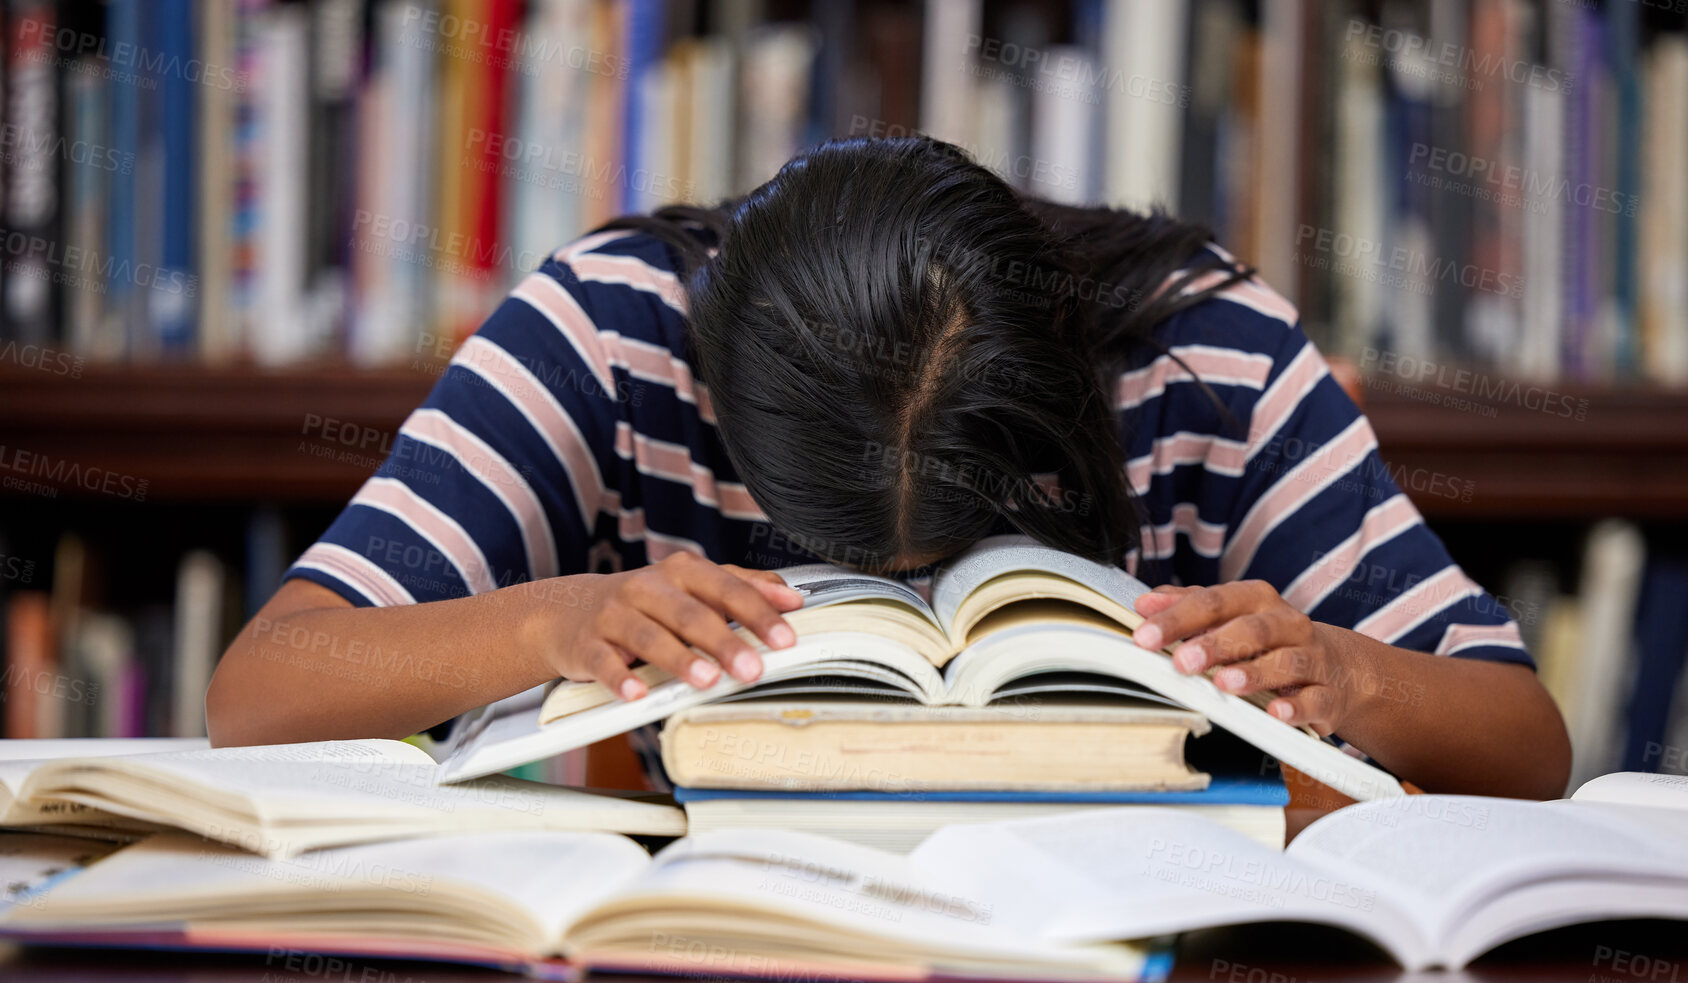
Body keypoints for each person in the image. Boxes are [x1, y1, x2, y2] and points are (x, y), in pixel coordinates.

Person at [206, 135, 1569, 798]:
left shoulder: (1204, 353)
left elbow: (1526, 741)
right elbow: (263, 691)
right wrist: (550, 618)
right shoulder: (613, 329)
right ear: (722, 380)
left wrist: (1349, 673)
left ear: (1068, 396)